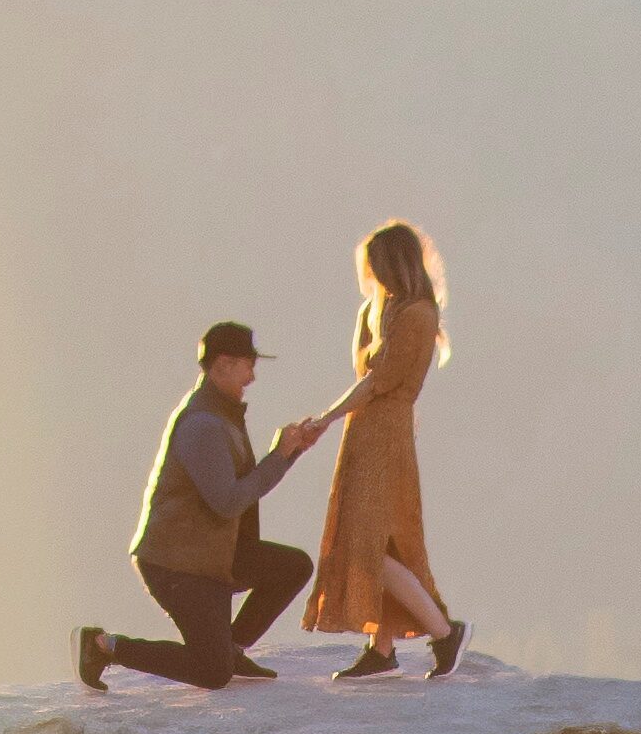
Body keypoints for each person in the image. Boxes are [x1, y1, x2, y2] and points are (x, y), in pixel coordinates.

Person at [89, 319, 335, 690]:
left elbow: (241, 488)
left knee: (293, 567)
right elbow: (228, 502)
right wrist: (278, 455)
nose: (251, 377)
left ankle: (230, 647)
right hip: (179, 565)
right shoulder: (203, 424)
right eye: (247, 366)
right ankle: (103, 646)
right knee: (212, 672)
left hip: (214, 554)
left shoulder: (222, 416)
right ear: (223, 365)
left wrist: (291, 452)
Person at [306, 221, 471, 681]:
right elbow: (365, 370)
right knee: (374, 539)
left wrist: (325, 417)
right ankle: (381, 649)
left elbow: (378, 381)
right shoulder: (382, 310)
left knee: (374, 543)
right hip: (366, 432)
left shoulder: (417, 315)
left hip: (385, 434)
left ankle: (444, 633)